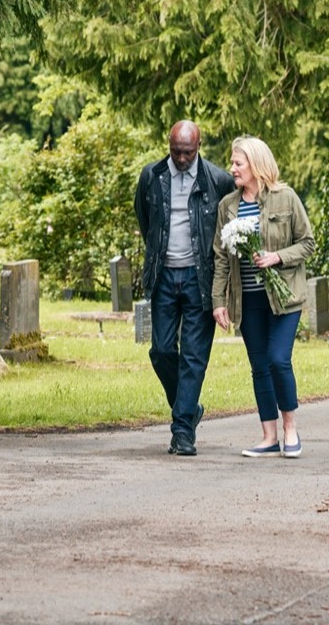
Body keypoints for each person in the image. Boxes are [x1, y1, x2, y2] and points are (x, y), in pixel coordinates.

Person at [135, 121, 235, 456]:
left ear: (199, 147)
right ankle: (190, 409)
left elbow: (225, 229)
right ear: (168, 144)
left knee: (194, 356)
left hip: (199, 277)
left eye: (187, 152)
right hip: (164, 275)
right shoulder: (152, 176)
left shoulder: (216, 180)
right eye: (175, 151)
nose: (180, 158)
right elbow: (145, 220)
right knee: (161, 351)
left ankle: (182, 433)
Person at [212, 136, 315, 458]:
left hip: (284, 299)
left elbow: (308, 243)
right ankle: (269, 437)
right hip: (249, 301)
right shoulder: (227, 206)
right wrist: (219, 301)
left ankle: (290, 429)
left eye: (238, 163)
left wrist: (277, 257)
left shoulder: (286, 198)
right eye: (233, 163)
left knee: (278, 360)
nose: (232, 169)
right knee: (259, 366)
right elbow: (219, 257)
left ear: (256, 165)